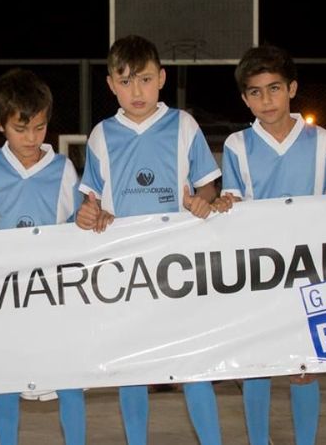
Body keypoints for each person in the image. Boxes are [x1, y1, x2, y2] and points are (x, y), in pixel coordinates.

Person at [75, 34, 225, 445]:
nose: (135, 91)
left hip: (178, 265)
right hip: (125, 270)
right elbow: (88, 202)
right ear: (110, 85)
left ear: (161, 78)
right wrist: (89, 213)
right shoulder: (102, 135)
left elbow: (208, 188)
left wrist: (201, 202)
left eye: (143, 79)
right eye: (125, 82)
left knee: (193, 366)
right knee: (133, 369)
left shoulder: (183, 125)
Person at [220, 44, 326, 445]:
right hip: (258, 271)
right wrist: (226, 206)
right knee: (257, 365)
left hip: (310, 271)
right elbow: (233, 208)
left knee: (304, 366)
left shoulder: (323, 141)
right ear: (245, 98)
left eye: (274, 88)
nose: (267, 99)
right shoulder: (236, 145)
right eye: (256, 92)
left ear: (292, 88)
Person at [0, 68, 85, 445]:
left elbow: (79, 223)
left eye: (40, 128)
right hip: (5, 292)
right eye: (21, 129)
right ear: (1, 124)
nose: (32, 138)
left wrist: (91, 216)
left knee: (70, 378)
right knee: (6, 379)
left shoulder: (63, 169)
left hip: (54, 293)